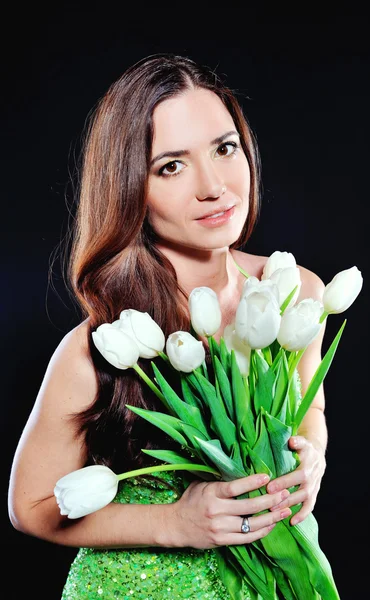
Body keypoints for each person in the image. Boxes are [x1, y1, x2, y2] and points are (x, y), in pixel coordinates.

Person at [8, 53, 328, 599]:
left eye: (225, 149)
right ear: (131, 186)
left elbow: (309, 405)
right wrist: (176, 522)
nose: (214, 186)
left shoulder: (292, 290)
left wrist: (312, 454)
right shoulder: (101, 347)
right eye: (171, 166)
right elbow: (29, 506)